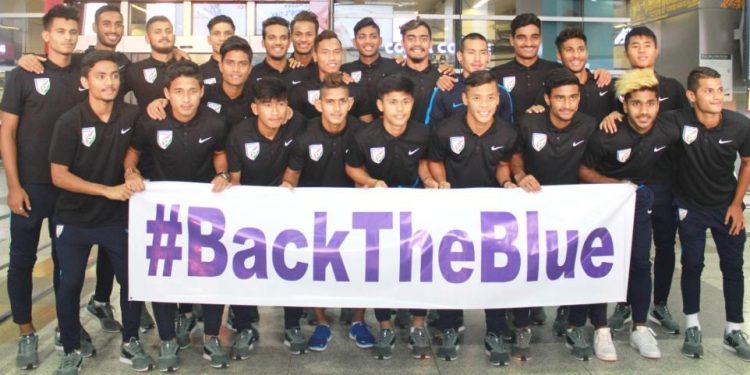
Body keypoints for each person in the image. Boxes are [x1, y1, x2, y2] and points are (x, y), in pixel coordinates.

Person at [124, 60, 244, 370]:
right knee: (163, 274)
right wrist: (130, 172)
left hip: (203, 213)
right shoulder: (151, 121)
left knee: (211, 273)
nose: (186, 98)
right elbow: (132, 155)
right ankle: (166, 340)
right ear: (167, 93)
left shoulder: (215, 123)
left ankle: (211, 338)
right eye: (179, 92)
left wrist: (222, 175)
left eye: (193, 91)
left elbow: (220, 156)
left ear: (202, 91)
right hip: (161, 212)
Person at [50, 50, 153, 374]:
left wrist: (130, 172)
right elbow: (59, 175)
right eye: (100, 76)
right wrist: (106, 190)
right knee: (69, 285)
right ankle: (70, 348)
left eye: (114, 76)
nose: (109, 82)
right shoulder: (70, 121)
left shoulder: (131, 115)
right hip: (73, 217)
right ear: (85, 81)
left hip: (116, 218)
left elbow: (132, 153)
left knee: (131, 282)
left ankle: (130, 342)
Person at [0, 5, 91, 369]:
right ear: (47, 36)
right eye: (61, 31)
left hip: (70, 188)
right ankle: (25, 330)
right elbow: (6, 132)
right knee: (22, 259)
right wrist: (13, 185)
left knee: (66, 262)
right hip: (32, 186)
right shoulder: (26, 73)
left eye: (73, 31)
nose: (68, 36)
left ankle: (66, 327)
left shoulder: (86, 72)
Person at [579, 68, 681, 360]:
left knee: (639, 263)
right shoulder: (607, 133)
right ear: (624, 105)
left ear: (658, 105)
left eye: (650, 103)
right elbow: (584, 170)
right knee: (601, 265)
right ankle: (600, 329)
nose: (644, 110)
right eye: (636, 104)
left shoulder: (668, 129)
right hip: (605, 206)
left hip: (639, 204)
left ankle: (640, 327)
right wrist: (616, 186)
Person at [512, 68, 610, 362]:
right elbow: (515, 154)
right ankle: (521, 325)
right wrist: (519, 174)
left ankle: (574, 325)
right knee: (527, 267)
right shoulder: (529, 122)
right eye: (560, 98)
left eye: (573, 98)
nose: (567, 105)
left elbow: (592, 166)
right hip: (533, 207)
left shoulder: (589, 125)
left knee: (576, 267)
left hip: (574, 210)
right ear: (547, 99)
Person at [603, 26, 690, 334]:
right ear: (627, 52)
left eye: (647, 45)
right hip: (628, 185)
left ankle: (660, 304)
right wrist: (609, 116)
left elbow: (686, 132)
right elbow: (611, 126)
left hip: (665, 181)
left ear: (657, 50)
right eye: (635, 46)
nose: (641, 50)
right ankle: (625, 304)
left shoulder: (673, 87)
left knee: (664, 245)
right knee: (629, 246)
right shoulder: (619, 88)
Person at [428, 70, 518, 365]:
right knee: (453, 269)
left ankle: (494, 330)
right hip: (452, 212)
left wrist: (507, 184)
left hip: (490, 214)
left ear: (498, 99)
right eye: (477, 97)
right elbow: (435, 161)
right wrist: (441, 184)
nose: (484, 104)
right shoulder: (444, 129)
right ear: (465, 98)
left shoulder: (507, 132)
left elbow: (503, 165)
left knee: (492, 271)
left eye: (491, 97)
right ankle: (450, 327)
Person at [345, 74, 436, 360]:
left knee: (418, 267)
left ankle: (418, 324)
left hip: (414, 211)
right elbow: (352, 168)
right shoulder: (364, 136)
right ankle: (385, 325)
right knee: (381, 269)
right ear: (380, 105)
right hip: (378, 214)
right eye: (393, 102)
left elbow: (423, 165)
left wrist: (431, 181)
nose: (400, 109)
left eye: (405, 102)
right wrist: (371, 182)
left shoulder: (423, 133)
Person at [281, 72, 375, 352]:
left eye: (341, 101)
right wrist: (286, 190)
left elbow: (370, 172)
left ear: (350, 103)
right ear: (319, 104)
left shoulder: (362, 132)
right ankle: (321, 322)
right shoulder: (305, 134)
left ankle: (358, 321)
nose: (336, 107)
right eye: (329, 102)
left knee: (360, 268)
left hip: (354, 212)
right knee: (316, 268)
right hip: (315, 214)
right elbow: (292, 173)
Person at [666, 67, 750, 361]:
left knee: (732, 267)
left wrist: (737, 204)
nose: (717, 96)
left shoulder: (739, 125)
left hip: (726, 207)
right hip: (690, 206)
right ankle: (693, 326)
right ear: (691, 95)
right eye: (708, 90)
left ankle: (733, 330)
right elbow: (642, 121)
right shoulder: (677, 120)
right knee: (692, 265)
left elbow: (748, 163)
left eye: (719, 89)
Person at [226, 77, 308, 354]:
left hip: (285, 207)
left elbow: (293, 172)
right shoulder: (239, 134)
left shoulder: (297, 127)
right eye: (267, 105)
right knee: (244, 268)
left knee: (291, 265)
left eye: (280, 104)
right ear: (255, 107)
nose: (275, 111)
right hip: (248, 211)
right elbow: (235, 181)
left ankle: (292, 325)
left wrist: (282, 196)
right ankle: (244, 326)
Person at [425, 32, 513, 126]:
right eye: (471, 52)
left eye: (482, 53)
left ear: (488, 57)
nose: (477, 58)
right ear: (460, 56)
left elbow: (508, 131)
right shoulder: (446, 88)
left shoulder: (500, 92)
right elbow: (432, 130)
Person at [286, 30, 373, 122]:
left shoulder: (357, 90)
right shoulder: (300, 91)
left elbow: (367, 129)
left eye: (336, 52)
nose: (332, 58)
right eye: (325, 52)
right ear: (315, 56)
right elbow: (293, 128)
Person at [340, 17, 402, 115]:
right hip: (354, 128)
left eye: (373, 36)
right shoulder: (345, 70)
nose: (368, 41)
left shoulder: (395, 67)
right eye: (362, 37)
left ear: (380, 40)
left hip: (388, 128)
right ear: (354, 42)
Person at [248, 17, 295, 83]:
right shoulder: (252, 74)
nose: (278, 42)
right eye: (271, 38)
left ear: (289, 42)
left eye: (283, 38)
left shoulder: (301, 73)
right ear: (263, 43)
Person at [200, 15, 236, 86]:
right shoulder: (199, 72)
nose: (222, 38)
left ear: (234, 37)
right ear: (209, 39)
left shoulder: (245, 71)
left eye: (227, 33)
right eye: (216, 33)